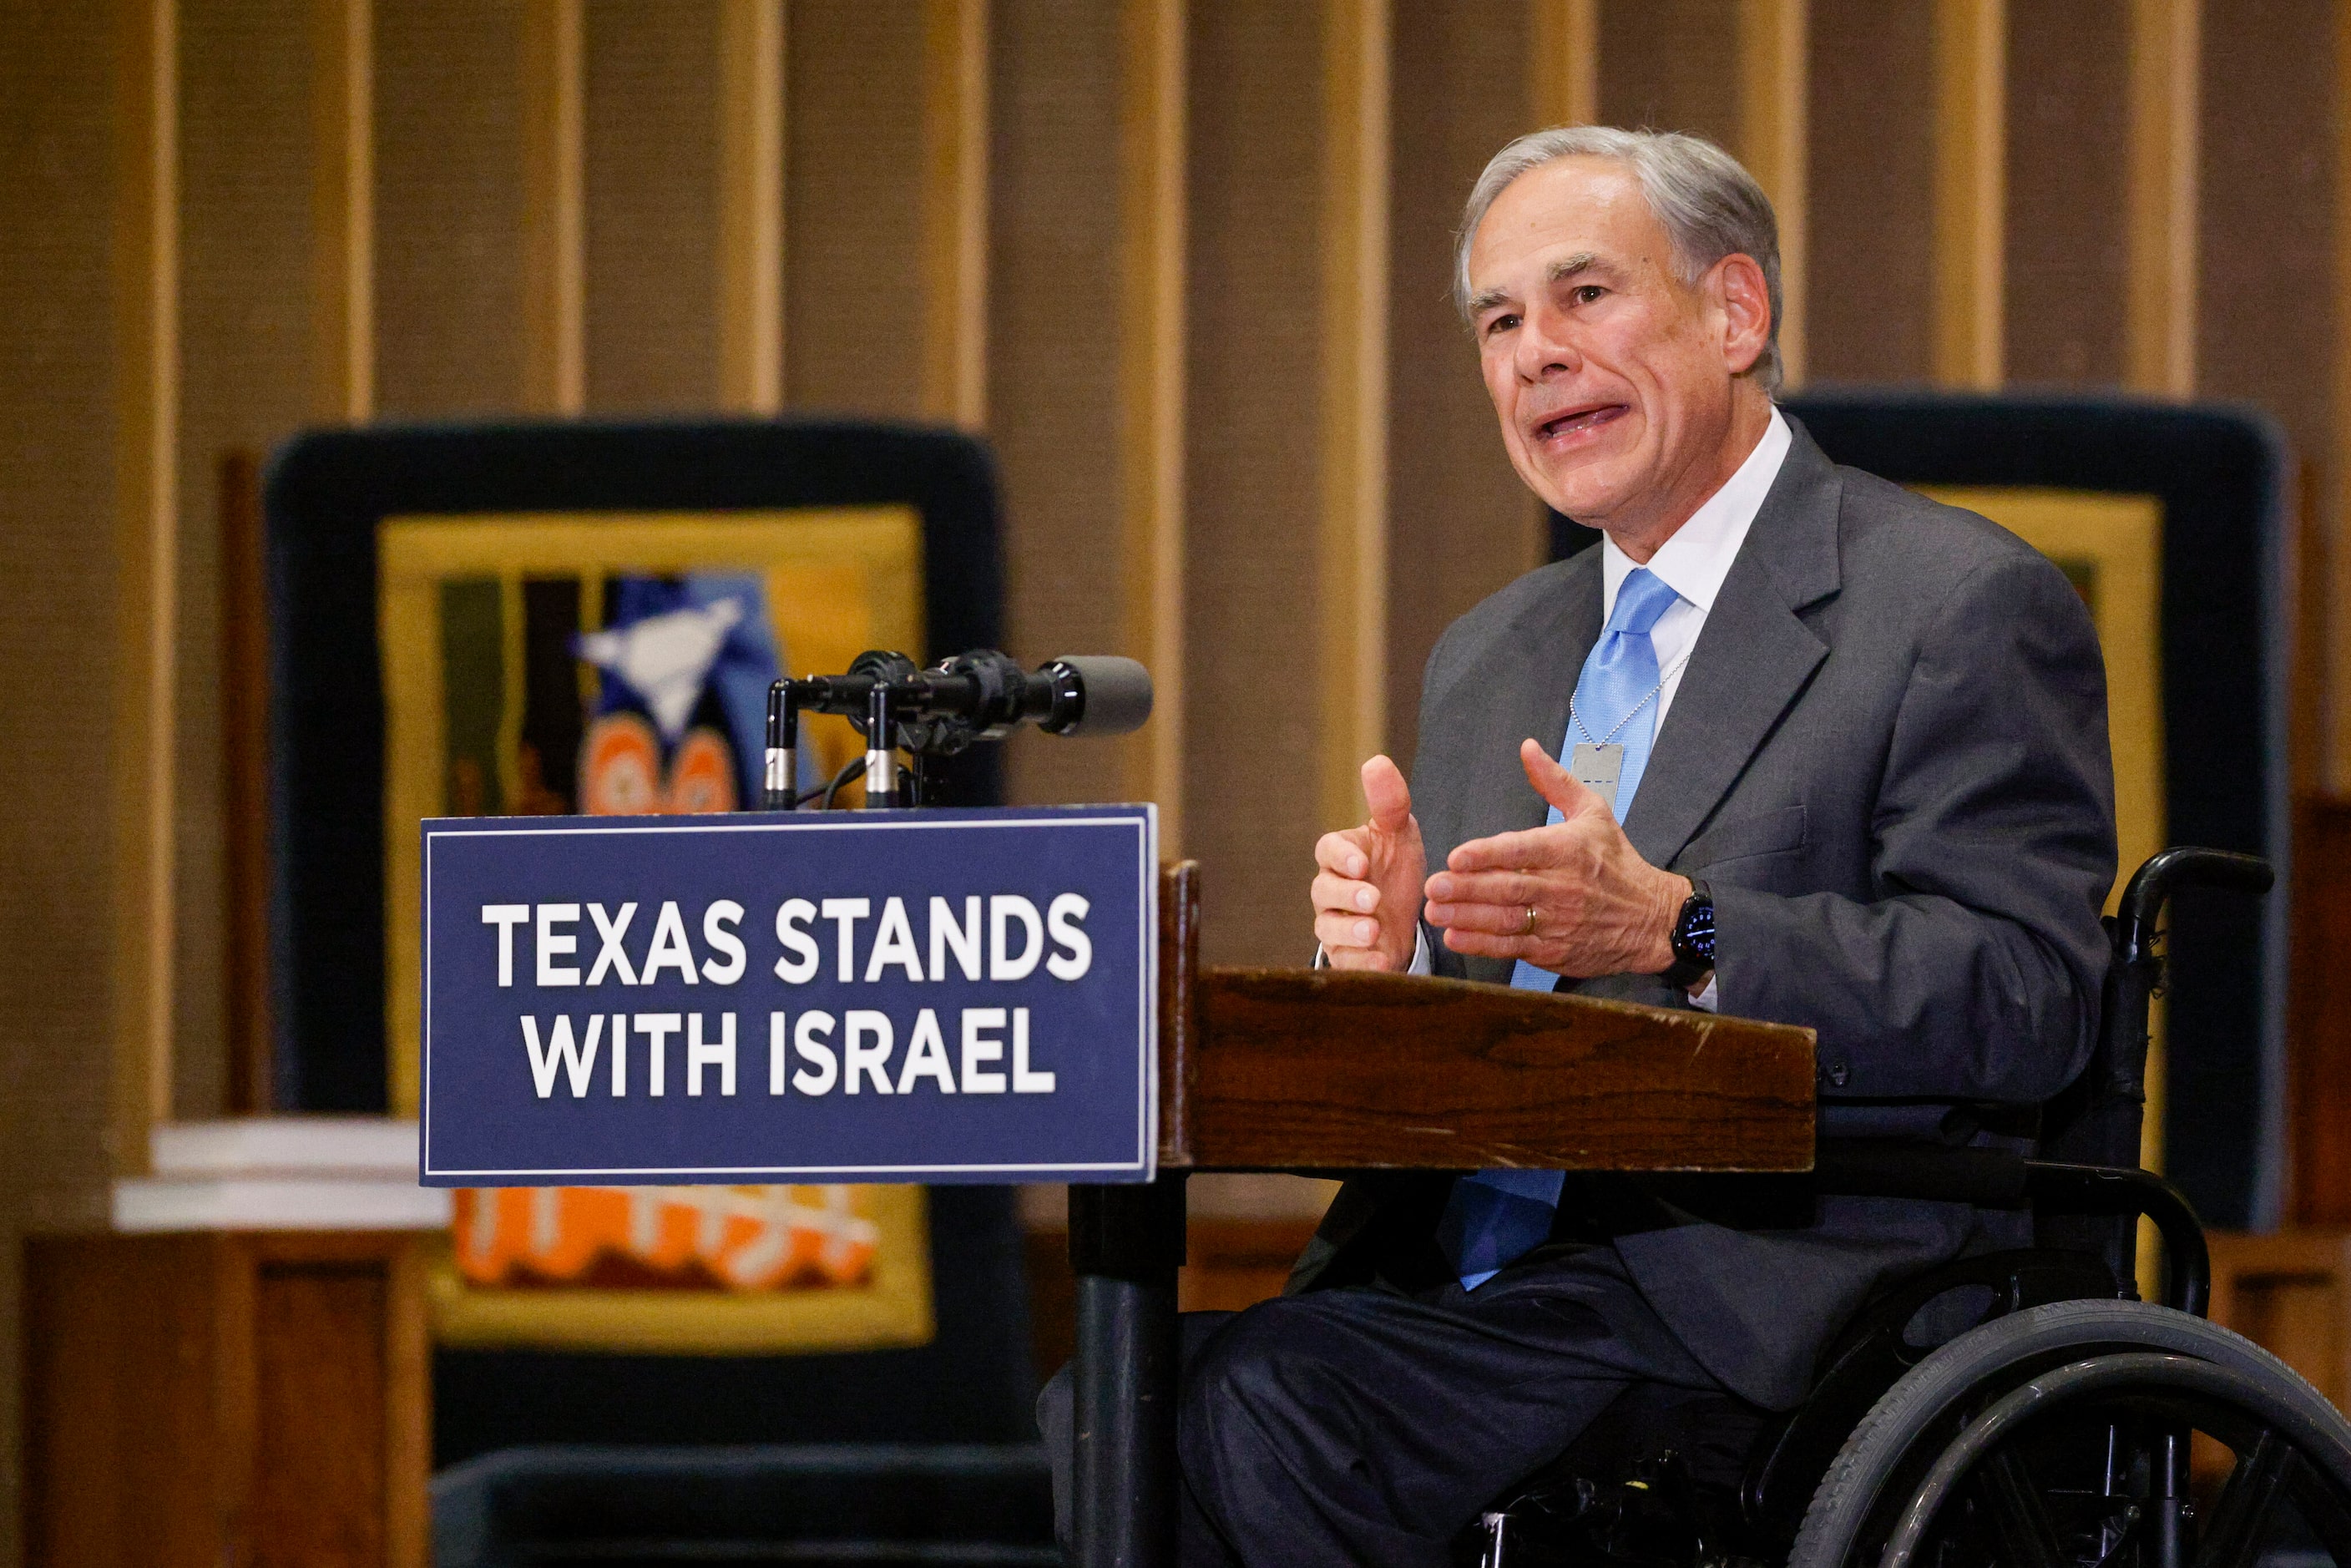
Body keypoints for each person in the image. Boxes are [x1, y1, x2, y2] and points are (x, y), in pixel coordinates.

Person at [1042, 125, 2116, 1566]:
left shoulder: (1952, 603)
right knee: (1110, 1405)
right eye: (1499, 320)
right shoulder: (1491, 652)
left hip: (1765, 1291)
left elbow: (2030, 992)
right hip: (1465, 1274)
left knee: (1266, 1409)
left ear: (1736, 312)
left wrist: (1688, 928)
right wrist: (1394, 962)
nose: (1533, 352)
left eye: (1584, 296)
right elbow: (1496, 1034)